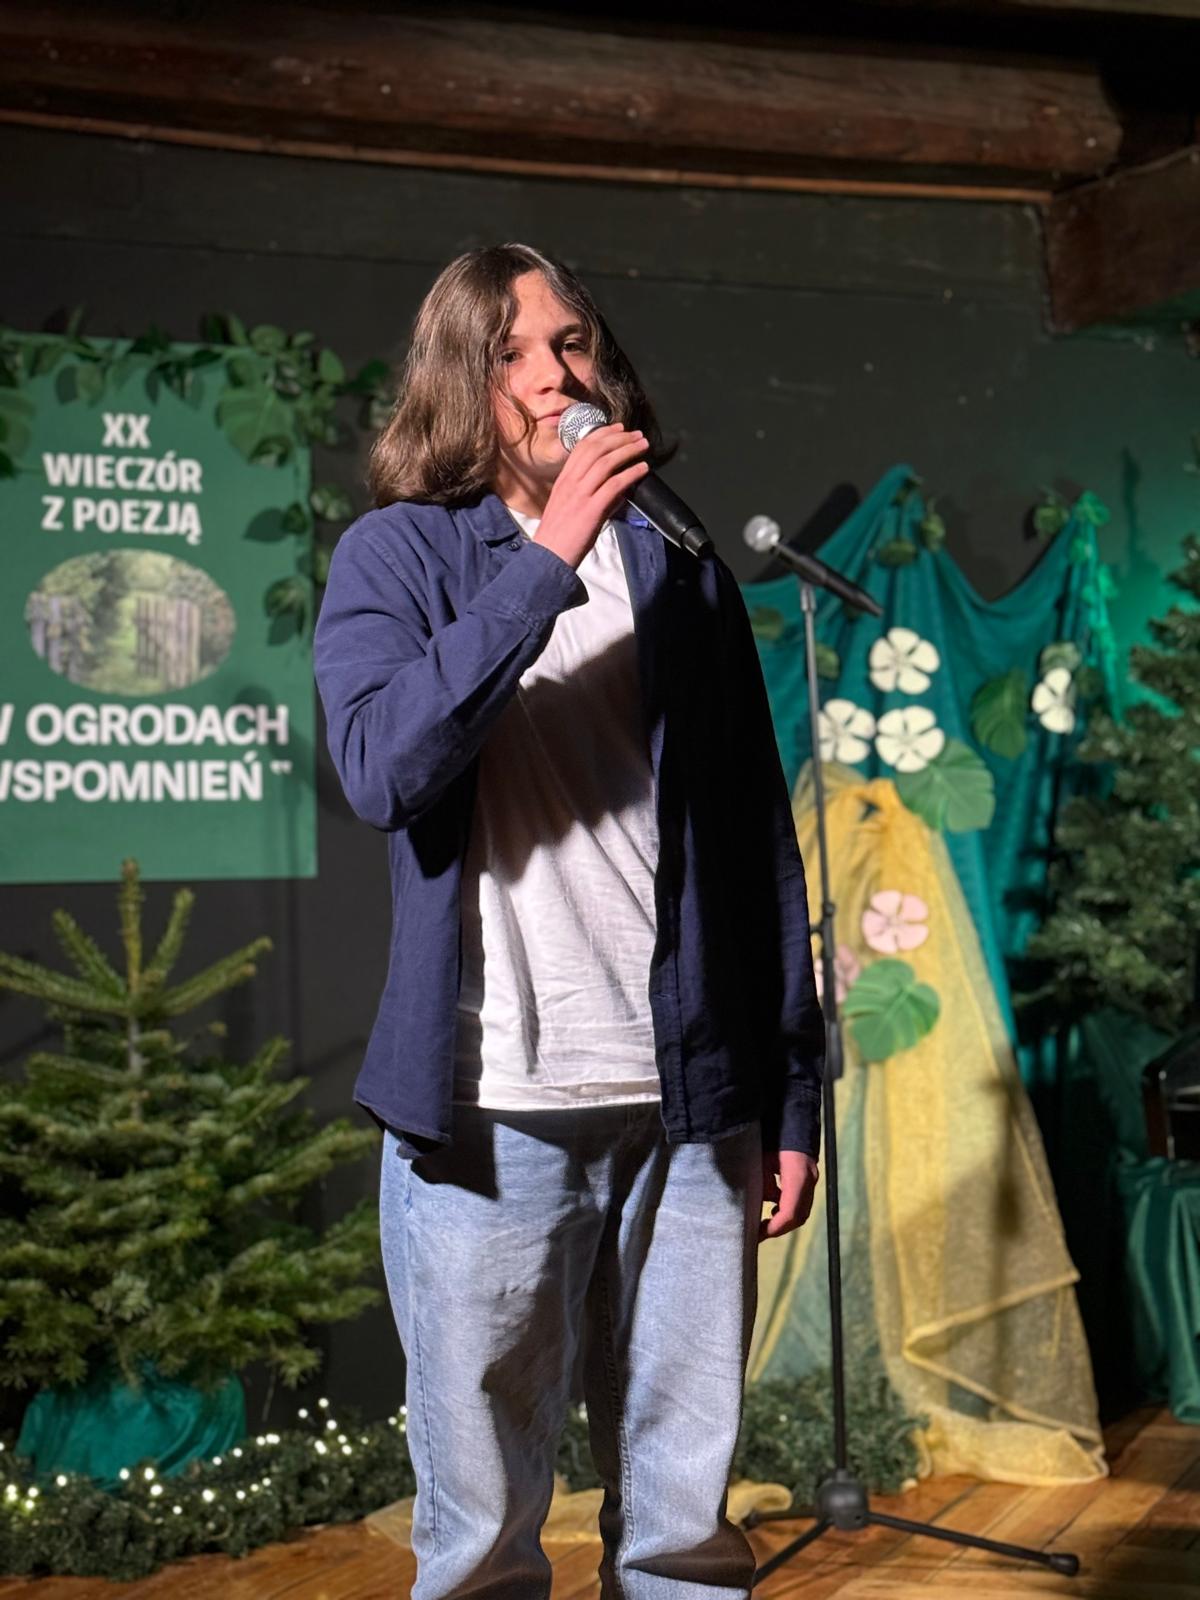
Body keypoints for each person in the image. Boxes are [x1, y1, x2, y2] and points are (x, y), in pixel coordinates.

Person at [314, 243, 824, 1600]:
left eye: (571, 342)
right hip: (495, 1114)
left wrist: (793, 1094)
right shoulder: (400, 553)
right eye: (512, 355)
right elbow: (382, 768)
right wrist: (547, 559)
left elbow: (754, 846)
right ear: (458, 385)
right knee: (482, 1542)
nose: (554, 376)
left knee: (683, 1532)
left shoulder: (680, 561)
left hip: (694, 1105)